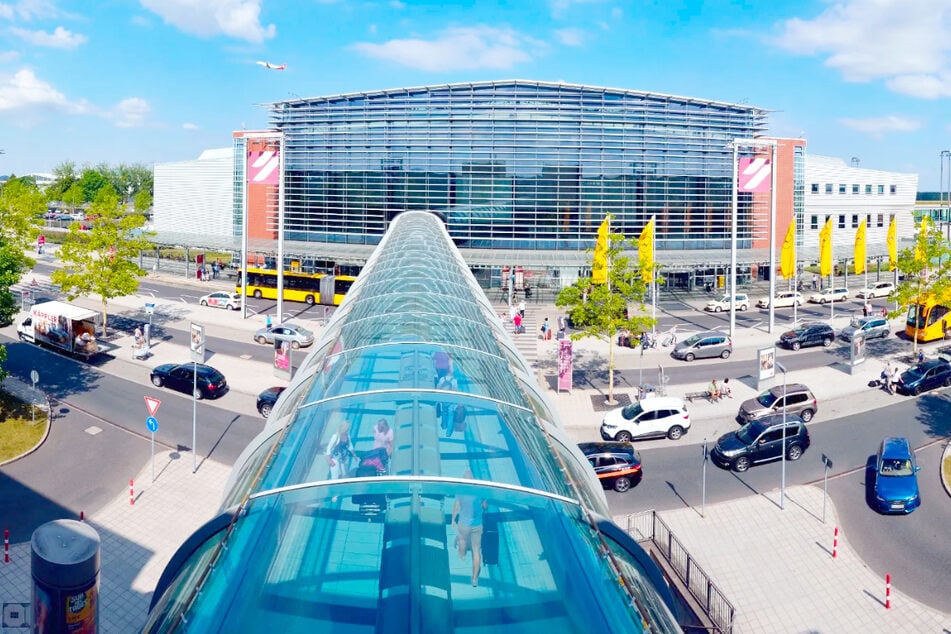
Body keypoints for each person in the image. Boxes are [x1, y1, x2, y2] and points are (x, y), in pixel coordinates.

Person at [453, 471, 488, 587]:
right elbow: (485, 506)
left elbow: (457, 506)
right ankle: (474, 579)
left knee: (462, 541)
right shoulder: (479, 490)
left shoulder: (460, 491)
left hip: (464, 524)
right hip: (477, 525)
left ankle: (462, 556)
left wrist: (453, 519)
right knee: (476, 550)